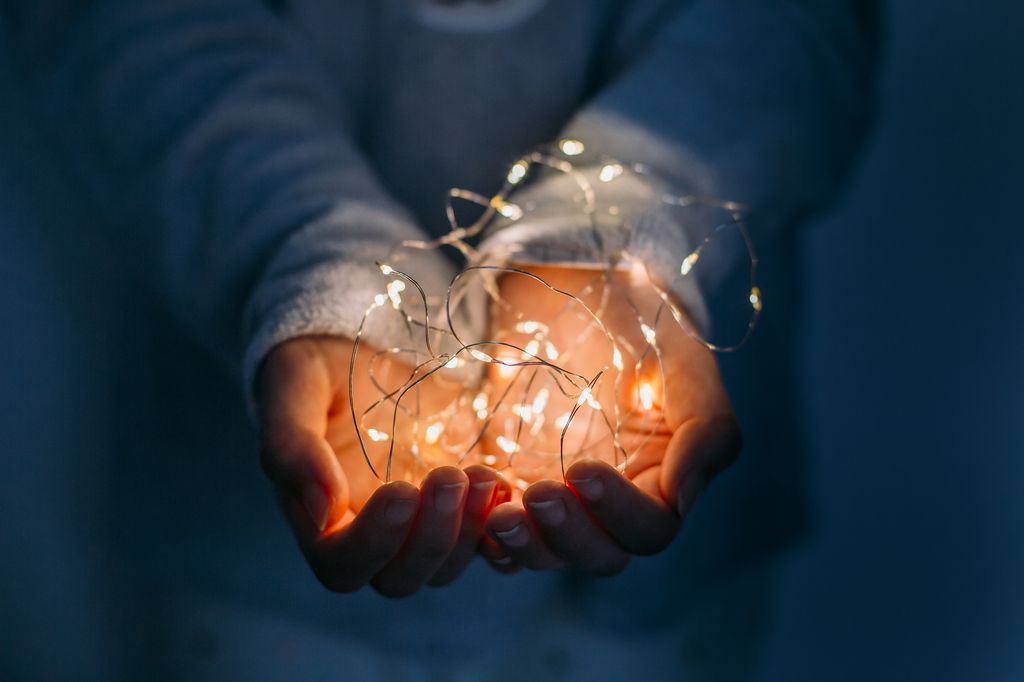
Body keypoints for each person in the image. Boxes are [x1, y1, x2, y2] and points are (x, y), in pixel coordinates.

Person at [2, 0, 879, 678]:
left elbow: (797, 26)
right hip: (253, 579)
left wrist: (608, 242)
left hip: (664, 607)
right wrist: (307, 259)